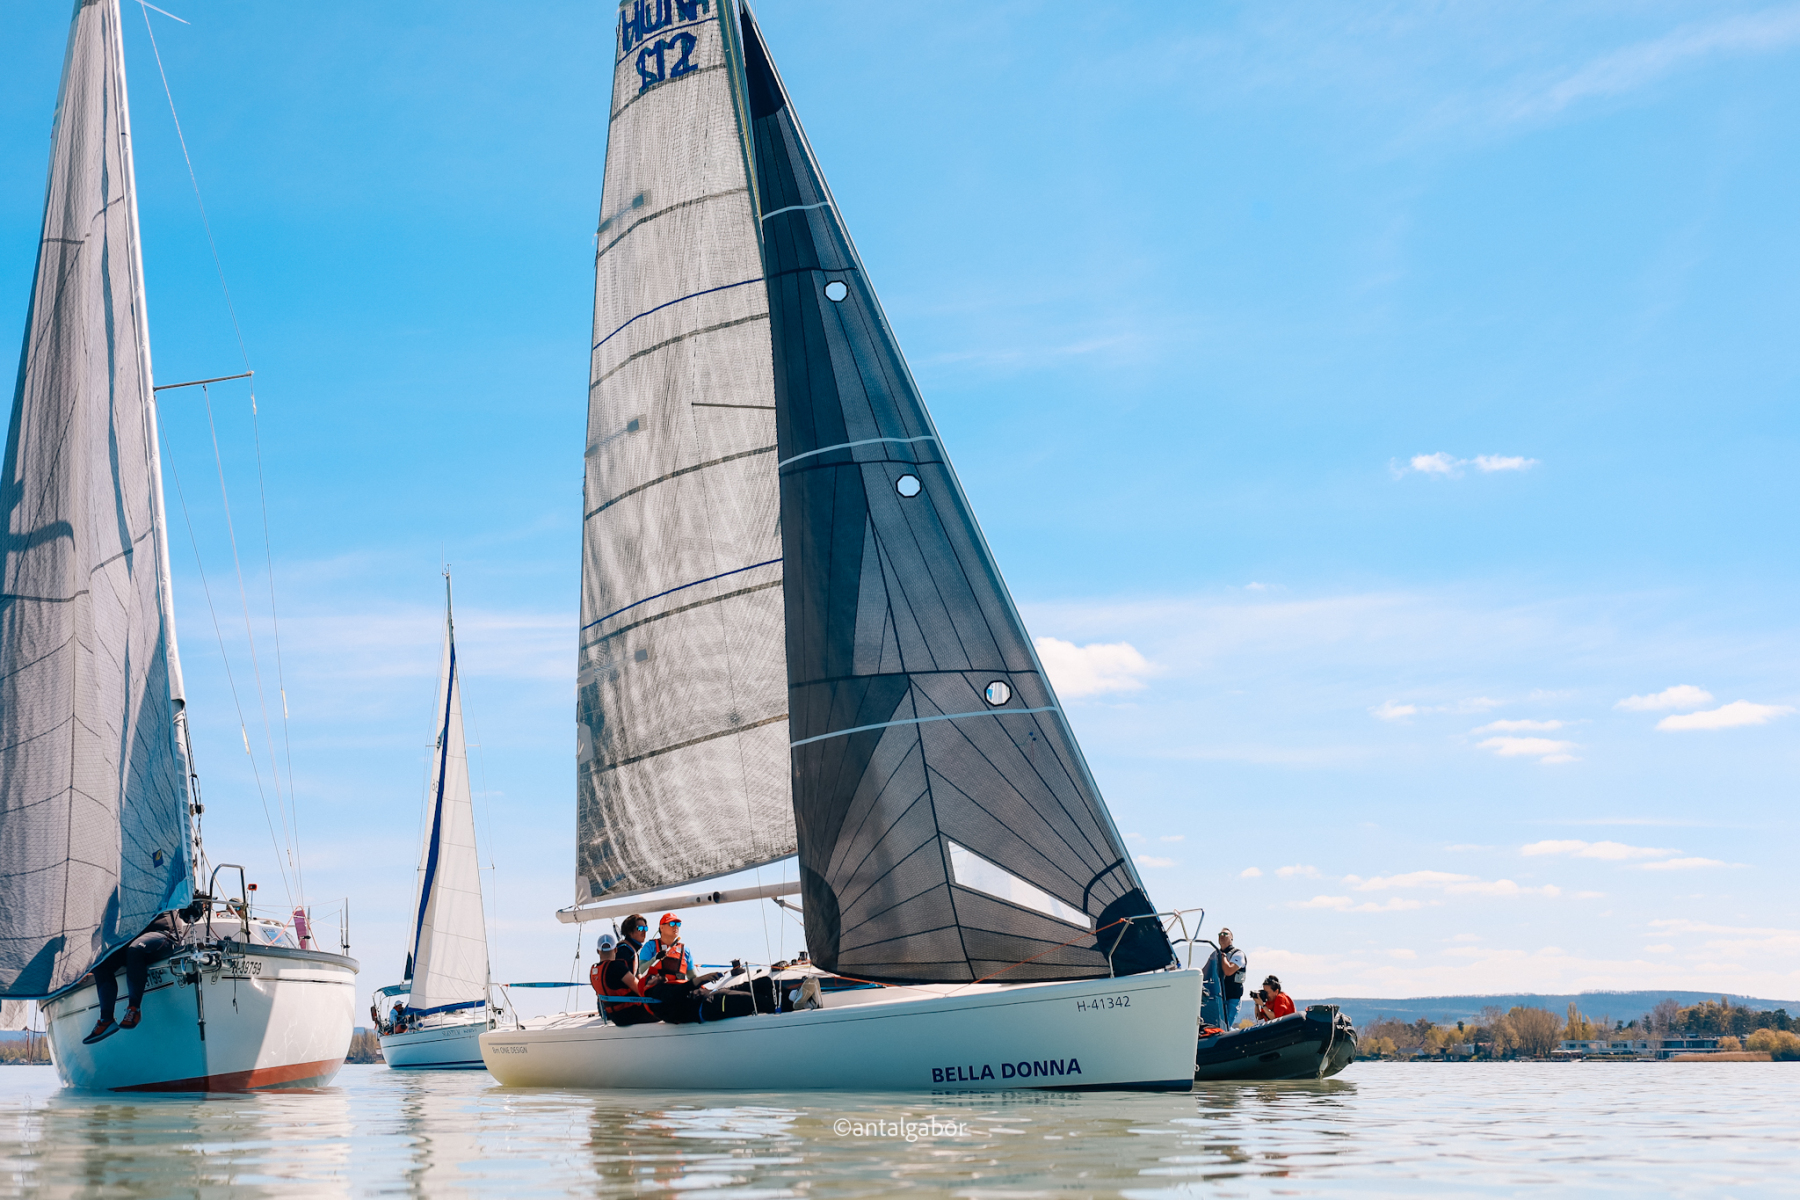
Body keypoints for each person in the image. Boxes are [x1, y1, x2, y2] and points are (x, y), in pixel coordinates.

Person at [82, 902, 203, 1045]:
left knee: (135, 949)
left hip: (164, 933)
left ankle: (134, 1009)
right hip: (134, 938)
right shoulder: (123, 893)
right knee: (101, 964)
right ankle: (106, 1019)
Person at [592, 921, 658, 1026]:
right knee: (665, 1009)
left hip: (611, 1014)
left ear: (597, 951)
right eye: (640, 928)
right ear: (615, 950)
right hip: (626, 1014)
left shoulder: (594, 970)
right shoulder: (617, 967)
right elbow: (637, 988)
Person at [1205, 928, 1248, 1028]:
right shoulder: (1214, 954)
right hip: (1216, 998)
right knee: (1212, 1027)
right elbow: (1205, 973)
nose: (1222, 936)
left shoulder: (1238, 954)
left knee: (1225, 1027)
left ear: (1231, 938)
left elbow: (1228, 971)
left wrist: (1223, 957)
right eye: (1220, 934)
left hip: (1232, 999)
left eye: (1225, 934)